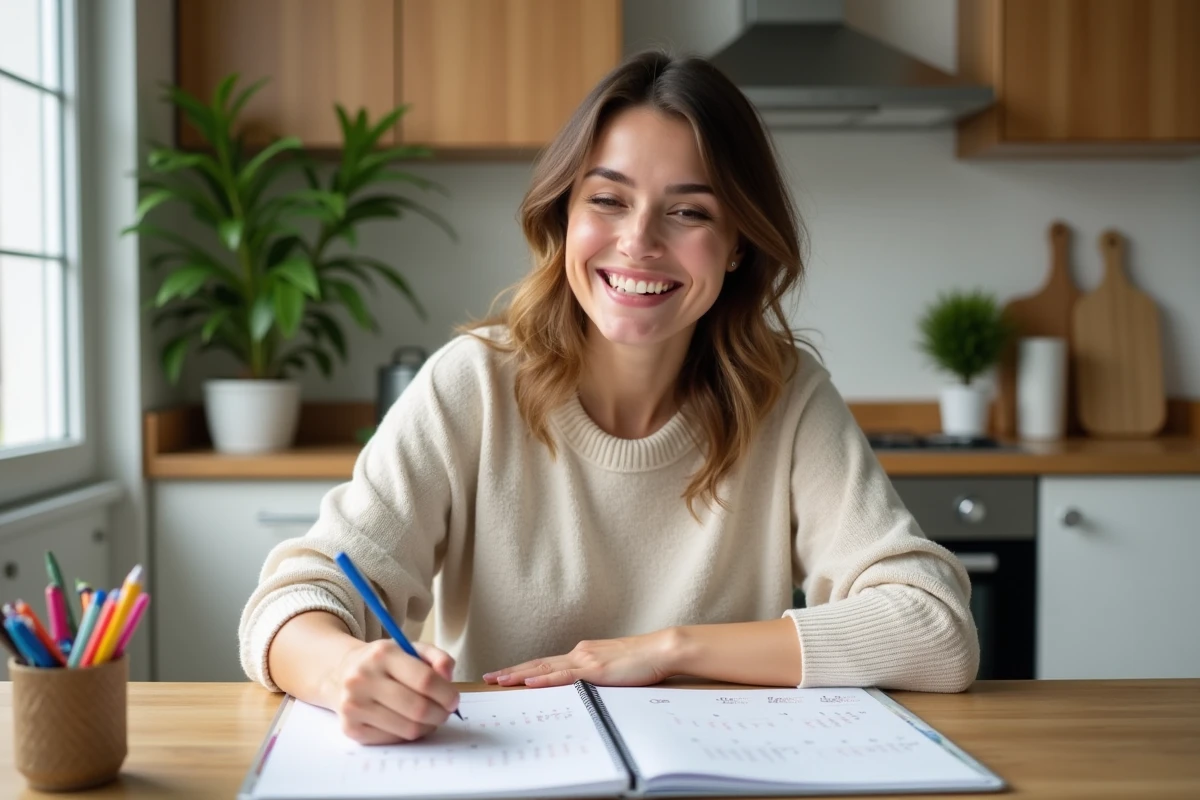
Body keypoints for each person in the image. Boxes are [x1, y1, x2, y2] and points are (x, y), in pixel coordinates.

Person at [239, 50, 978, 746]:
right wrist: (344, 674)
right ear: (563, 217)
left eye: (688, 212)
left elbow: (935, 630)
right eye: (608, 200)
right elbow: (290, 603)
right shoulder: (473, 384)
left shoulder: (785, 398)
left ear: (739, 244)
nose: (638, 242)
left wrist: (664, 650)